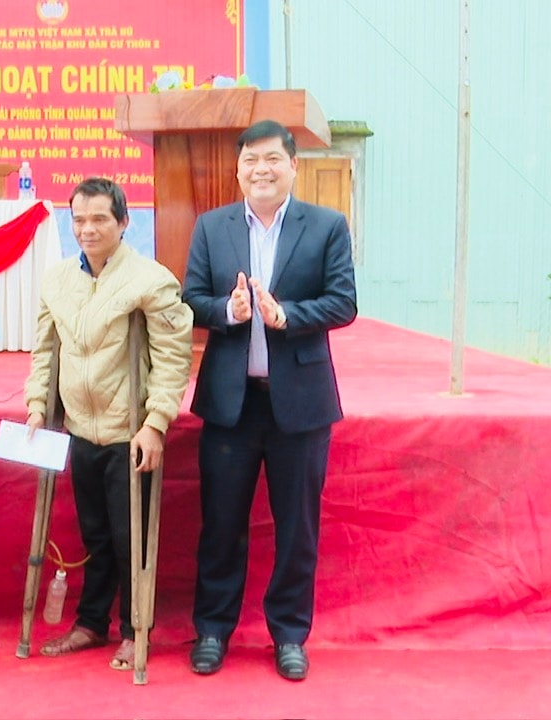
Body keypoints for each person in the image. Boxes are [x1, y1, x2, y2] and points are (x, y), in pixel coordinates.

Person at [183, 120, 357, 681]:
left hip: (300, 404)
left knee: (297, 526)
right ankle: (212, 628)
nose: (262, 169)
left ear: (293, 166)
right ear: (238, 170)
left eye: (272, 159)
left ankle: (289, 634)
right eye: (251, 160)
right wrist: (225, 312)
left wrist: (288, 316)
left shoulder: (326, 226)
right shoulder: (212, 228)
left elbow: (343, 302)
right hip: (232, 402)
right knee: (221, 523)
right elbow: (189, 298)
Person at [25, 178, 193, 670]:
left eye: (100, 219)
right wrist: (38, 405)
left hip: (128, 433)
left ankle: (134, 628)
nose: (88, 229)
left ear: (124, 222)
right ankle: (91, 623)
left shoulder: (151, 279)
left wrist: (156, 422)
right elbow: (44, 351)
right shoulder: (57, 280)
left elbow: (172, 356)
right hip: (80, 430)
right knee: (94, 535)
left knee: (128, 537)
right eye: (79, 219)